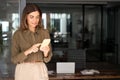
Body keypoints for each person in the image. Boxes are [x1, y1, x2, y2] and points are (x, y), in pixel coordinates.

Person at [11, 3, 52, 80]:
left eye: (37, 17)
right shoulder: (18, 34)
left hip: (40, 70)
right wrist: (29, 51)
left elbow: (48, 59)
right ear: (26, 17)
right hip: (23, 70)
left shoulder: (44, 33)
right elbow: (14, 59)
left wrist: (46, 53)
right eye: (31, 17)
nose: (35, 20)